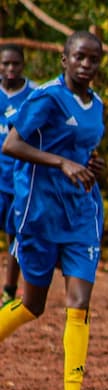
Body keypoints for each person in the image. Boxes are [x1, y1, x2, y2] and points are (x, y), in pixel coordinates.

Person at [0, 32, 106, 390]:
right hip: (39, 213)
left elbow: (84, 151)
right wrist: (61, 163)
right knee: (33, 305)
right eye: (79, 57)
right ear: (64, 59)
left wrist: (91, 166)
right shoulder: (45, 97)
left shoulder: (97, 105)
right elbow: (12, 145)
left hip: (80, 215)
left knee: (79, 302)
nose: (86, 64)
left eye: (93, 59)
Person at [1, 44, 35, 305]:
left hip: (20, 180)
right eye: (5, 64)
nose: (10, 69)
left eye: (15, 64)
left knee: (16, 236)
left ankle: (9, 290)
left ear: (23, 64)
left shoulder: (34, 95)